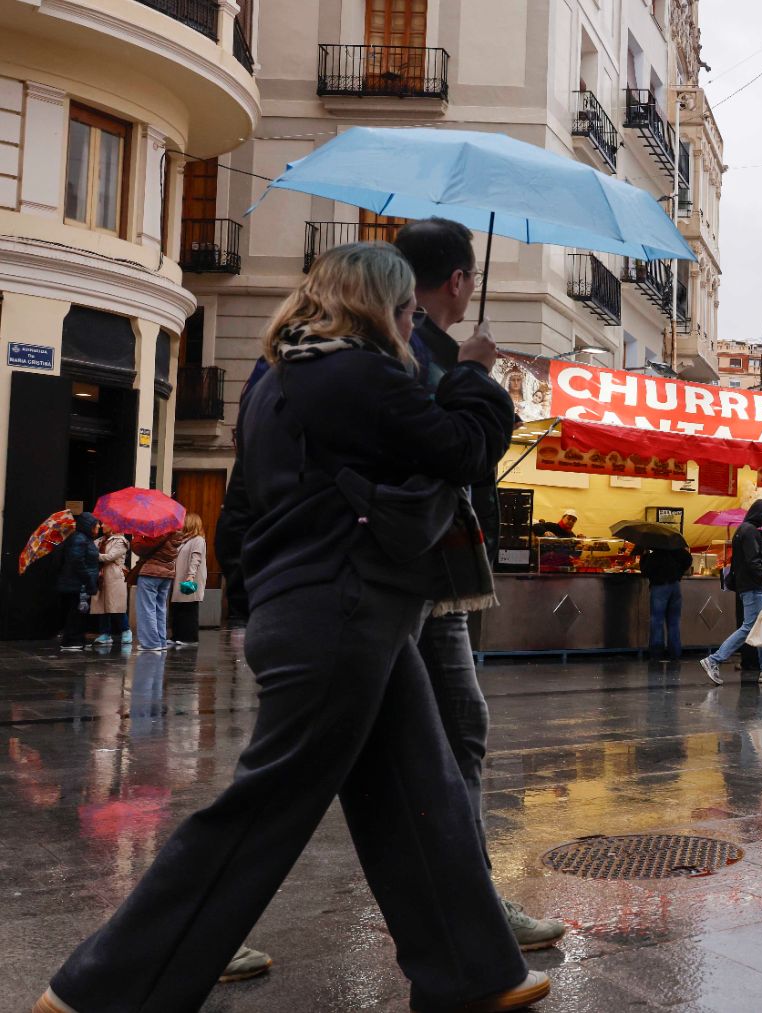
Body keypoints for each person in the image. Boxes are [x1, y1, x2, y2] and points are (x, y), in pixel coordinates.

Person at [36, 243, 549, 1013]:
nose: (414, 322)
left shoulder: (278, 379)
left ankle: (474, 972)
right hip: (344, 606)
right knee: (263, 810)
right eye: (408, 310)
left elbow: (246, 510)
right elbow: (463, 448)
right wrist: (475, 373)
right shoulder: (354, 372)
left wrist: (253, 605)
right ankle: (104, 989)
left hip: (328, 606)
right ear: (379, 305)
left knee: (419, 791)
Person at [701, 499, 762, 685]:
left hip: (749, 586)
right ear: (760, 514)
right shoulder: (750, 532)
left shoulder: (743, 530)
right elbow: (753, 561)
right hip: (754, 587)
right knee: (749, 627)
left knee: (761, 626)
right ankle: (714, 660)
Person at [640, 542, 693, 663]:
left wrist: (644, 556)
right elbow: (688, 559)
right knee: (674, 621)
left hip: (659, 587)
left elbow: (645, 571)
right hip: (675, 586)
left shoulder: (655, 555)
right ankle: (675, 653)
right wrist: (678, 573)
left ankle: (656, 654)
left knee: (657, 621)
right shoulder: (677, 551)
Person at [130, 527, 181, 653]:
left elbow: (140, 549)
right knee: (160, 608)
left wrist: (137, 535)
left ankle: (151, 643)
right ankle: (161, 641)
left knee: (147, 608)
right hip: (167, 573)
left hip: (151, 573)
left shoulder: (158, 532)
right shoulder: (174, 532)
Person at [55, 513, 99, 652]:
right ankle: (71, 641)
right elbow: (77, 560)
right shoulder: (80, 539)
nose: (98, 526)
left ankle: (77, 640)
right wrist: (87, 579)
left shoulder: (84, 538)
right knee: (76, 613)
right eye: (96, 524)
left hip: (79, 584)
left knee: (80, 612)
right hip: (77, 584)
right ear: (89, 526)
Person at [168, 513, 208, 647]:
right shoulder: (184, 540)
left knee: (189, 608)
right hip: (180, 578)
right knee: (178, 607)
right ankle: (176, 636)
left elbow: (196, 559)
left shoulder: (198, 540)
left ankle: (189, 638)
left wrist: (190, 576)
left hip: (189, 579)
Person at [90, 524, 130, 651]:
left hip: (114, 576)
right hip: (101, 576)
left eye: (105, 523)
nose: (102, 525)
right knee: (102, 605)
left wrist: (93, 555)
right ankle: (105, 634)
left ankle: (126, 630)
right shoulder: (100, 540)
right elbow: (91, 548)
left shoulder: (121, 541)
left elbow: (110, 557)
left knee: (116, 606)